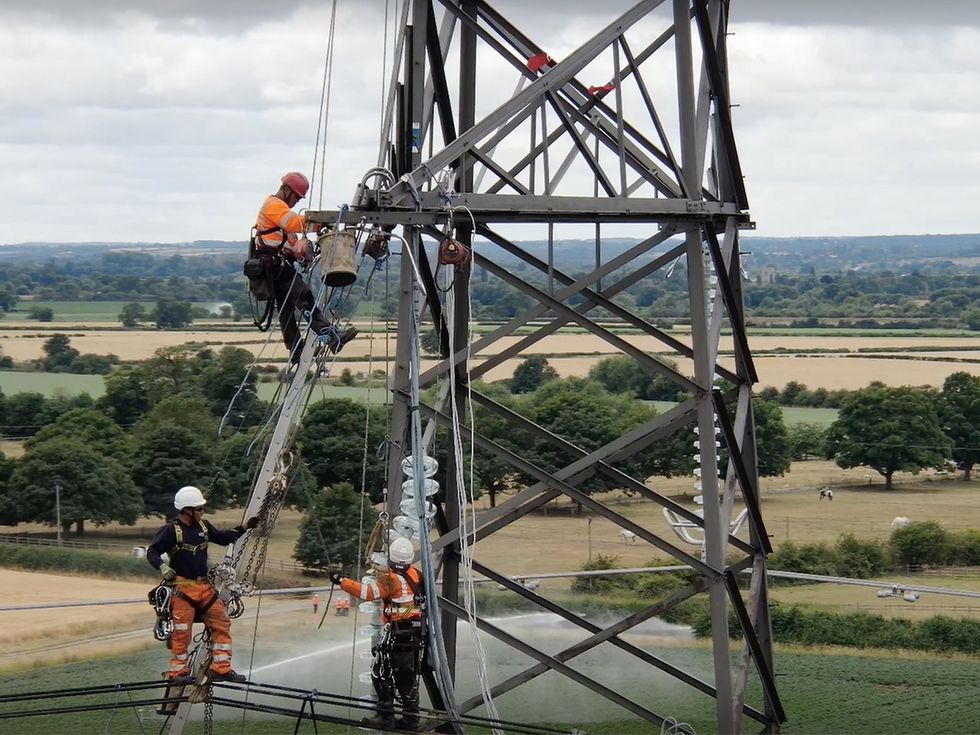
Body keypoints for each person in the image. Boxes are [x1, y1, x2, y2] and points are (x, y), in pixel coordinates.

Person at [146, 485, 259, 685]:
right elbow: (152, 552)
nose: (202, 512)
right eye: (198, 509)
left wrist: (245, 527)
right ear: (186, 510)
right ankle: (177, 674)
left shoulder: (204, 527)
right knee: (181, 632)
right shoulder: (171, 531)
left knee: (222, 622)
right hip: (183, 589)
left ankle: (221, 669)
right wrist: (163, 567)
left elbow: (225, 538)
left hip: (204, 588)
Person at [252, 171, 357, 358]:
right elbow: (293, 223)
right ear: (286, 190)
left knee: (286, 309)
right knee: (303, 296)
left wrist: (303, 250)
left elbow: (289, 240)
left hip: (274, 264)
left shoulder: (278, 210)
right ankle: (331, 338)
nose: (297, 202)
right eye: (296, 197)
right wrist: (319, 222)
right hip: (274, 264)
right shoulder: (273, 205)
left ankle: (296, 349)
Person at [332, 537, 425, 730]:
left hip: (398, 634)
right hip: (414, 634)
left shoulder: (390, 579)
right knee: (406, 677)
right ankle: (410, 719)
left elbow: (367, 592)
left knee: (381, 673)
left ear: (392, 558)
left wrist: (342, 581)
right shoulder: (416, 575)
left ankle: (386, 716)